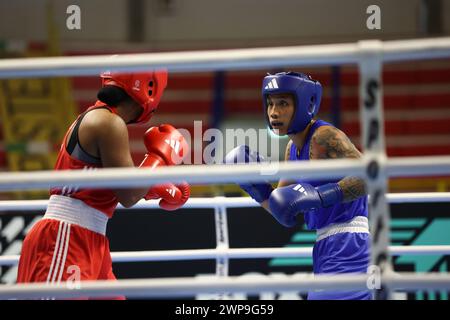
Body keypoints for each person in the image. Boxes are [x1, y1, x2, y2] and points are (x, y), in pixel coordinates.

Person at [17, 70, 190, 296]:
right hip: (65, 239)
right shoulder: (108, 122)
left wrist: (154, 186)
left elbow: (115, 188)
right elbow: (128, 195)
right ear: (150, 89)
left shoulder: (101, 118)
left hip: (91, 242)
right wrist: (158, 160)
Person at [225, 71, 370, 300]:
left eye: (283, 103)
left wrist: (322, 196)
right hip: (324, 247)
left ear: (305, 103)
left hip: (350, 242)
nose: (273, 112)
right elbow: (282, 209)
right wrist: (257, 189)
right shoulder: (292, 150)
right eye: (270, 103)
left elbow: (371, 176)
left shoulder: (324, 136)